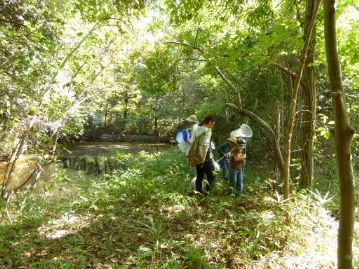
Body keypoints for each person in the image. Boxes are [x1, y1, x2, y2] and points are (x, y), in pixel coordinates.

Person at [191, 115, 216, 194]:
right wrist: (203, 159)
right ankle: (209, 194)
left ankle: (198, 191)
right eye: (213, 124)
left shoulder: (196, 128)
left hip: (196, 155)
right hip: (205, 157)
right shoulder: (207, 131)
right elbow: (204, 146)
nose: (213, 126)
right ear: (210, 122)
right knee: (212, 176)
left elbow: (192, 141)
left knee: (200, 176)